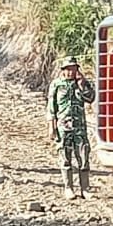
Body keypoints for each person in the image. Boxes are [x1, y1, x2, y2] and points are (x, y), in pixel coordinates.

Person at [48, 56, 96, 198]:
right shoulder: (57, 84)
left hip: (79, 127)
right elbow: (51, 107)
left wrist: (82, 84)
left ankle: (85, 189)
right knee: (65, 158)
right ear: (63, 70)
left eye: (73, 69)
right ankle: (68, 188)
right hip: (63, 127)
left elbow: (90, 98)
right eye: (68, 69)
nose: (71, 72)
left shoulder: (82, 83)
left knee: (83, 157)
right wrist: (51, 126)